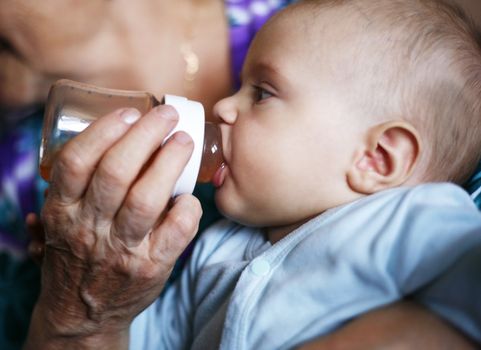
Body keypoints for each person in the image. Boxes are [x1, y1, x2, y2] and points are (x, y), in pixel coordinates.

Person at [23, 0, 481, 348]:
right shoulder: (216, 248)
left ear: (377, 158)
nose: (222, 107)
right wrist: (89, 290)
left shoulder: (415, 221)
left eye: (261, 93)